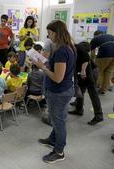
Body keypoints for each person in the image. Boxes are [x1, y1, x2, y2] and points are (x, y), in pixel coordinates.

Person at [33, 20, 76, 163]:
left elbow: (57, 78)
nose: (48, 35)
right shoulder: (68, 47)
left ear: (57, 33)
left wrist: (42, 67)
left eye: (50, 32)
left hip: (59, 91)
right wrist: (46, 63)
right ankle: (52, 140)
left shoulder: (62, 51)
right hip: (64, 89)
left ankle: (59, 151)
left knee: (58, 122)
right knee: (58, 118)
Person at [69, 42, 103, 125]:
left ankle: (99, 115)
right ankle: (79, 110)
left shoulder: (76, 46)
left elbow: (86, 57)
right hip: (81, 73)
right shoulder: (68, 49)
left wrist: (83, 70)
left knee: (93, 94)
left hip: (90, 71)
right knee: (80, 91)